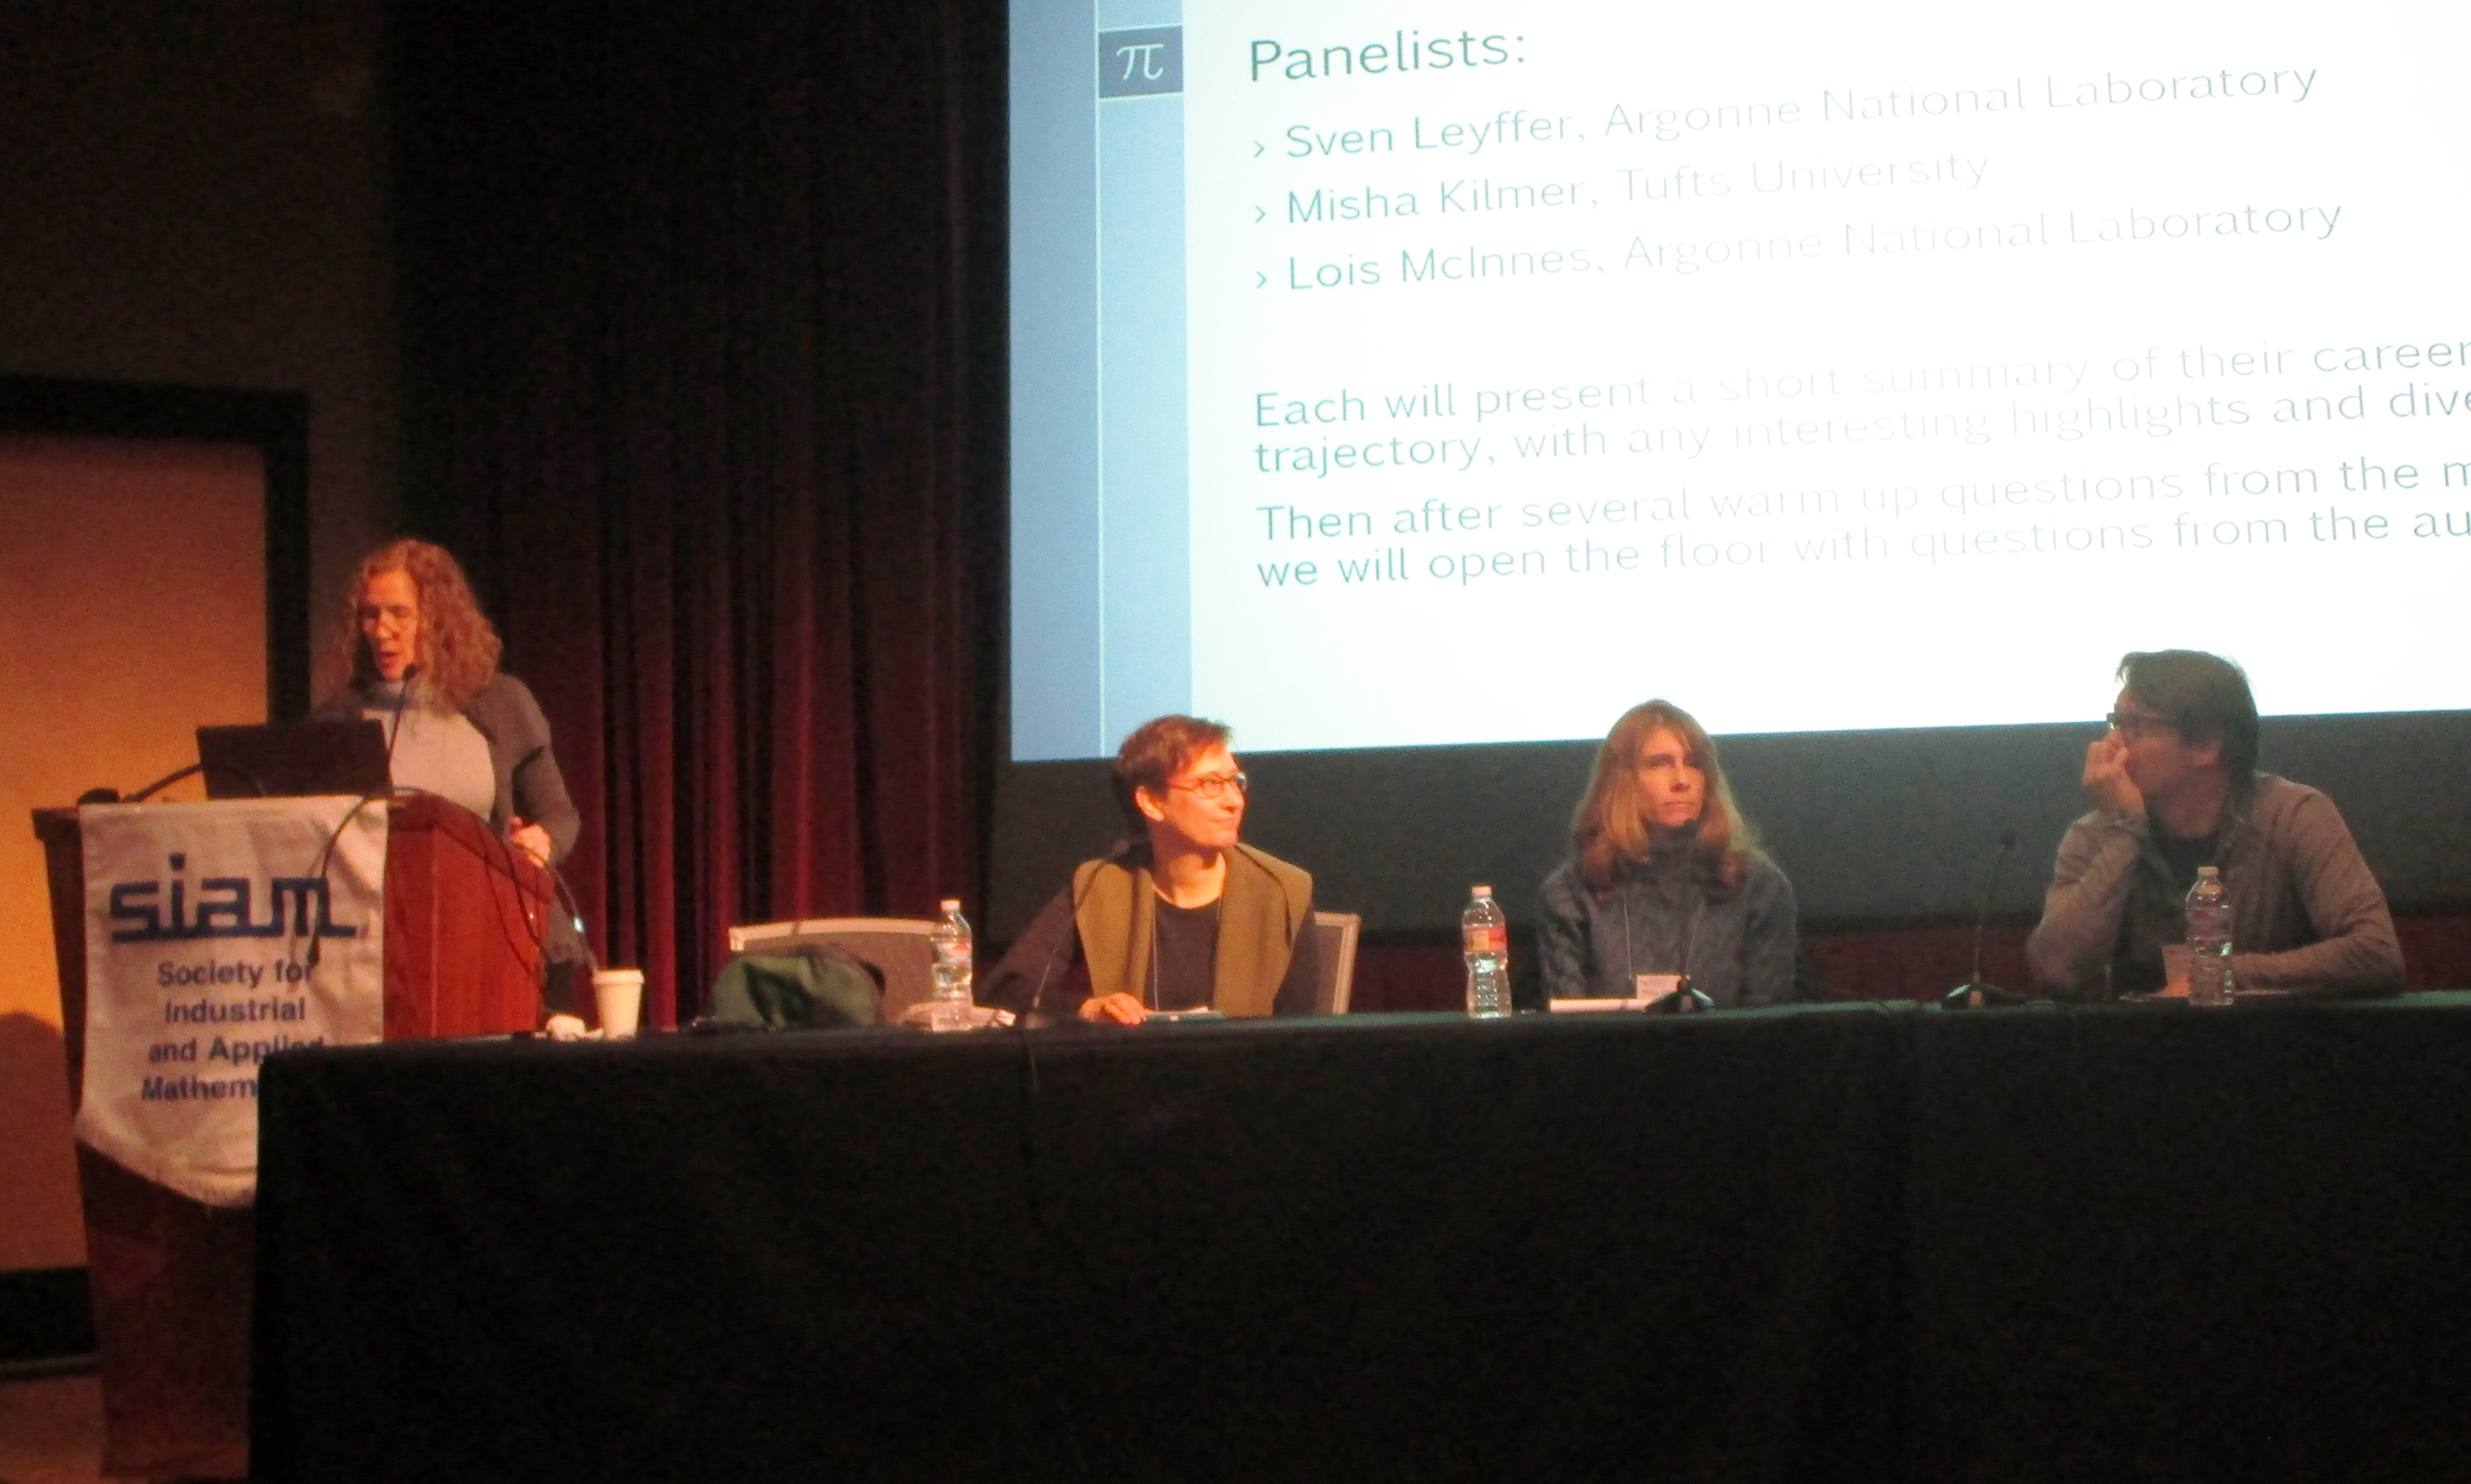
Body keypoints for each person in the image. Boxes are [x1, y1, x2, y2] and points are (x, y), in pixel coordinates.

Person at [314, 538, 589, 1020]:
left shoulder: (499, 704)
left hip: (498, 941)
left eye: (400, 614)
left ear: (437, 618)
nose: (383, 631)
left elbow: (560, 815)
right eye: (371, 615)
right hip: (383, 953)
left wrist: (540, 843)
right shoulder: (339, 721)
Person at [2025, 649, 2402, 999]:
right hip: (2137, 1054)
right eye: (2115, 722)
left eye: (2135, 727)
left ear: (2205, 745)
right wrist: (2125, 831)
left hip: (2273, 1047)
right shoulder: (2096, 833)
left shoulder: (2292, 814)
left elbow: (2375, 952)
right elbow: (2057, 970)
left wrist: (2219, 974)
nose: (2110, 746)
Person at [984, 715, 1319, 1022]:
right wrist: (1087, 1008)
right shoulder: (1100, 884)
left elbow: (1300, 1037)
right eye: (1210, 785)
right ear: (1152, 802)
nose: (1234, 800)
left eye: (1235, 781)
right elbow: (1007, 991)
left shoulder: (1282, 889)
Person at [1536, 700, 1798, 1007]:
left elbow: (1767, 1025)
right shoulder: (1571, 892)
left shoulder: (1757, 886)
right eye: (1659, 764)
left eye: (1695, 764)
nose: (1682, 781)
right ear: (1623, 781)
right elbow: (1569, 1029)